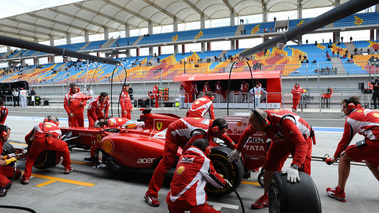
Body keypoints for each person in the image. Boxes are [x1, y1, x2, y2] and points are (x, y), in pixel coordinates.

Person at [228, 109, 315, 209]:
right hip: (280, 141)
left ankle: (303, 199)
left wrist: (295, 165)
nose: (254, 129)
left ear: (265, 122)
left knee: (303, 173)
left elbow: (301, 144)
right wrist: (238, 150)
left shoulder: (285, 122)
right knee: (269, 167)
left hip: (301, 140)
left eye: (256, 127)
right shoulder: (258, 122)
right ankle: (267, 196)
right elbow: (247, 133)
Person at [144, 117, 236, 207]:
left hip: (186, 131)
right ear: (215, 129)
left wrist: (235, 147)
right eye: (221, 133)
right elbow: (186, 151)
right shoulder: (200, 133)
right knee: (168, 162)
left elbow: (223, 135)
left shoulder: (215, 127)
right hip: (174, 132)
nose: (222, 135)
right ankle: (150, 193)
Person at [326, 96, 379, 202]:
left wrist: (334, 157)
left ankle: (339, 192)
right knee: (370, 161)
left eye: (344, 107)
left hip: (376, 141)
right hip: (375, 140)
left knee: (344, 156)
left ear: (351, 106)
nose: (342, 109)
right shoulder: (368, 111)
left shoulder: (351, 118)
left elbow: (343, 143)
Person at [166, 138, 226, 213]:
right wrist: (223, 180)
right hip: (190, 204)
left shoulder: (181, 158)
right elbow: (220, 184)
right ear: (207, 149)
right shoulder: (203, 160)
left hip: (172, 203)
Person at [21, 116, 72, 184]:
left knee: (31, 157)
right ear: (57, 123)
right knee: (64, 146)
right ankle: (67, 168)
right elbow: (58, 148)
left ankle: (26, 178)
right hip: (52, 142)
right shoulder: (58, 129)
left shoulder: (39, 125)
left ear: (46, 120)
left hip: (38, 142)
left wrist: (30, 145)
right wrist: (57, 159)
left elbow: (28, 137)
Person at [0, 125, 21, 197]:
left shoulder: (1, 142)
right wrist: (10, 160)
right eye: (8, 134)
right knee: (6, 184)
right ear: (3, 134)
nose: (9, 136)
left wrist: (6, 156)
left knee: (17, 173)